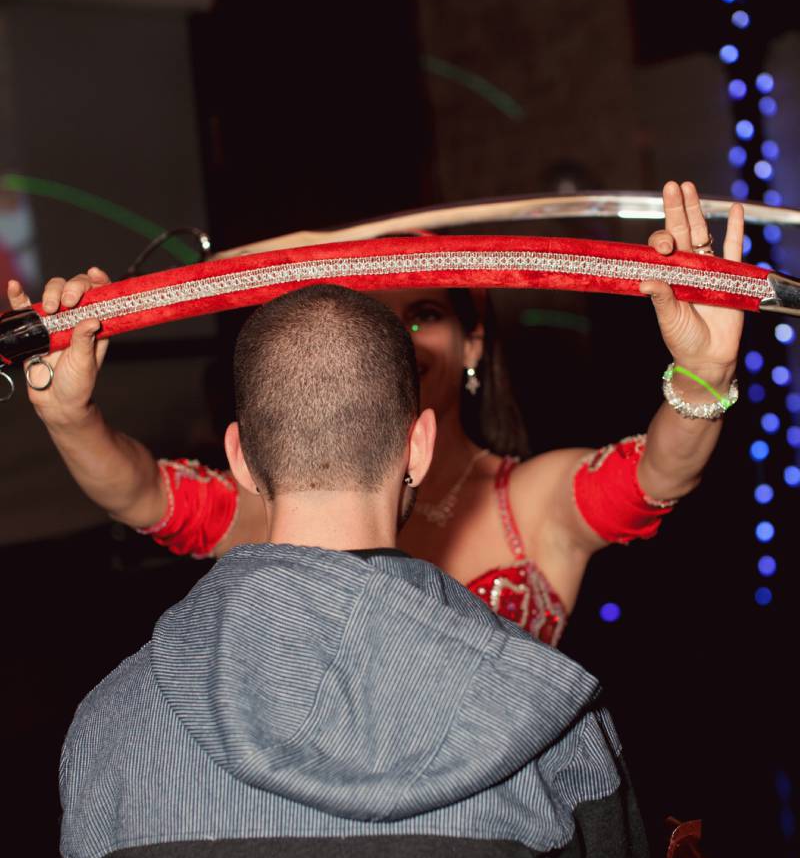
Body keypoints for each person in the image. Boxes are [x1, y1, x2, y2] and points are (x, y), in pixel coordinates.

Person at [60, 283, 650, 858]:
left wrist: (65, 411)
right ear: (418, 446)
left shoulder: (107, 726)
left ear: (240, 458)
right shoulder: (557, 715)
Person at [11, 181, 744, 645]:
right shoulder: (287, 498)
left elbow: (661, 474)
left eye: (424, 314)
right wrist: (70, 417)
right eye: (378, 320)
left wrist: (705, 374)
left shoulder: (534, 498)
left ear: (474, 342)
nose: (399, 340)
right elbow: (141, 493)